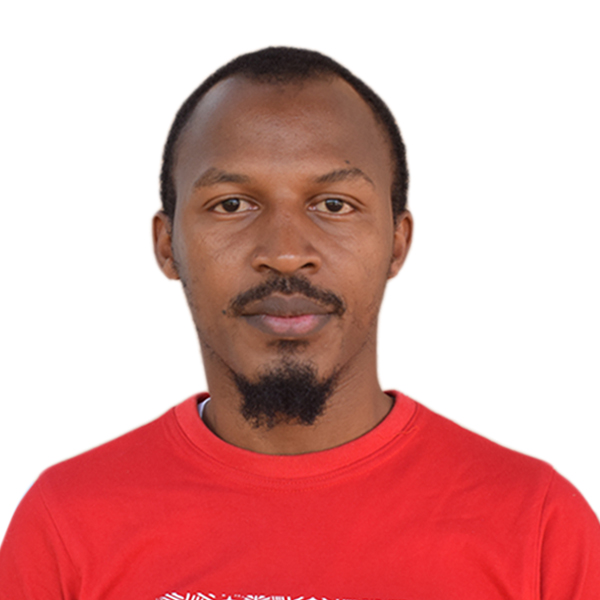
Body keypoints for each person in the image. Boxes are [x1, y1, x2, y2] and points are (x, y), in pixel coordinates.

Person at [1, 46, 598, 599]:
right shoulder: (65, 527)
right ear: (167, 246)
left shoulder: (539, 528)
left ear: (396, 243)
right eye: (232, 205)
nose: (286, 253)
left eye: (334, 205)